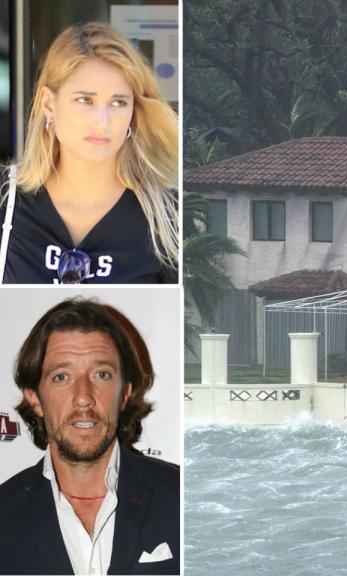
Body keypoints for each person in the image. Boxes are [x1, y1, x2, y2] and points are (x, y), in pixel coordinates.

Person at [0, 298, 179, 575]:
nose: (83, 397)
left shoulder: (181, 498)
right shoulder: (4, 513)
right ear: (34, 397)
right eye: (62, 377)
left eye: (101, 374)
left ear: (125, 393)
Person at [0, 22, 178, 284]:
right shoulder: (7, 200)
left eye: (118, 102)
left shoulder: (167, 218)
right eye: (85, 100)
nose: (101, 121)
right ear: (49, 104)